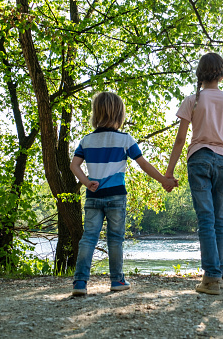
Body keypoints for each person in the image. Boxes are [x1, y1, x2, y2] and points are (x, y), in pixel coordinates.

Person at [70, 92, 177, 296]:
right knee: (115, 239)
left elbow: (74, 165)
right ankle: (117, 280)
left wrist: (87, 182)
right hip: (116, 197)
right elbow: (143, 163)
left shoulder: (87, 140)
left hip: (93, 196)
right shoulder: (125, 139)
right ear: (119, 115)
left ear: (96, 114)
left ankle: (80, 282)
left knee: (88, 238)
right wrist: (164, 180)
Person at [165, 52, 223, 295]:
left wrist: (169, 172)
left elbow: (180, 139)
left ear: (200, 73)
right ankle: (217, 273)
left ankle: (211, 278)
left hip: (198, 158)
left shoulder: (193, 100)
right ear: (221, 73)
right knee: (219, 219)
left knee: (206, 219)